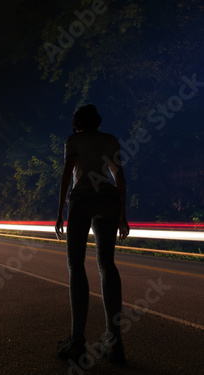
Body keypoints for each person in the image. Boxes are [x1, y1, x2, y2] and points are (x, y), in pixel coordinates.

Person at [55, 104, 130, 366]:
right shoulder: (110, 140)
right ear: (98, 121)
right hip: (108, 200)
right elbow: (119, 178)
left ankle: (77, 341)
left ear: (77, 122)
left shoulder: (74, 140)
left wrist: (59, 213)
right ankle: (115, 340)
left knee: (76, 264)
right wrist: (122, 214)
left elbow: (67, 174)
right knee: (107, 264)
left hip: (83, 199)